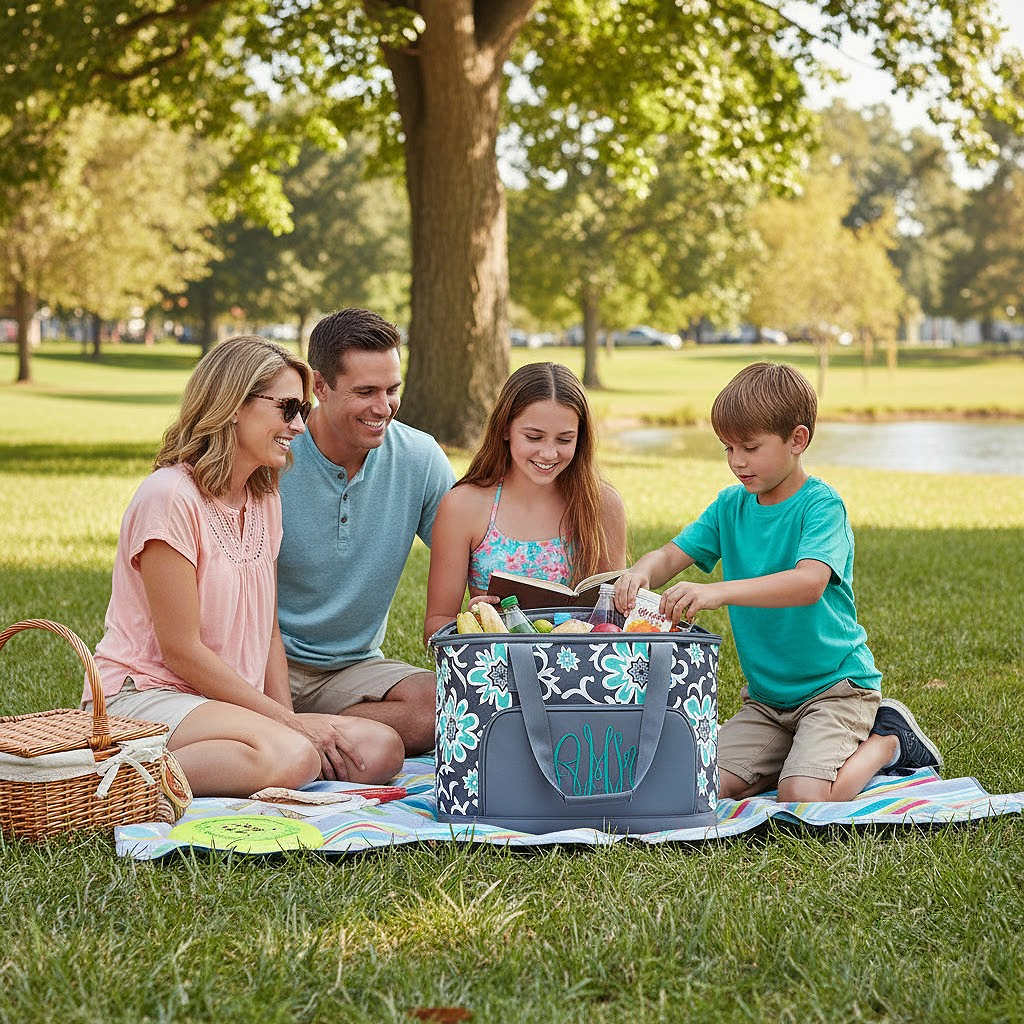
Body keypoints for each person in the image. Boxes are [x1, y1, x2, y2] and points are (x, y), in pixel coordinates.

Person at [87, 336, 404, 797]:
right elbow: (180, 651)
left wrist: (289, 717)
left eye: (302, 409)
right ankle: (105, 782)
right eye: (288, 408)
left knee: (380, 748)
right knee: (292, 754)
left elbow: (268, 631)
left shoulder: (263, 497)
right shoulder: (169, 497)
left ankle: (239, 764)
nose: (299, 426)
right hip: (148, 696)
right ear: (235, 405)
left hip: (227, 704)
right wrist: (289, 727)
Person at [613, 361, 942, 804]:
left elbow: (808, 583)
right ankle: (795, 755)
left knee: (802, 797)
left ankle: (888, 740)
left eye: (750, 447)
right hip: (768, 702)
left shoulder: (821, 506)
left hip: (836, 691)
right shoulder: (730, 506)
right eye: (728, 447)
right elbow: (672, 555)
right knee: (698, 785)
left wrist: (717, 592)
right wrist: (640, 572)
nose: (737, 461)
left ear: (797, 440)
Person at [276, 309, 456, 757]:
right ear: (320, 386)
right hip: (262, 659)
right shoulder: (274, 455)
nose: (384, 407)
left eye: (392, 389)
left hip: (352, 670)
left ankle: (296, 737)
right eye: (365, 392)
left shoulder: (419, 457)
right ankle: (303, 737)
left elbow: (472, 550)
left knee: (444, 707)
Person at [424, 361, 627, 643]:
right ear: (505, 429)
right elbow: (435, 626)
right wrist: (473, 626)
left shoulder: (601, 504)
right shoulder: (464, 506)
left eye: (564, 439)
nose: (549, 453)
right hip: (498, 662)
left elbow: (617, 620)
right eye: (534, 437)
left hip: (583, 665)